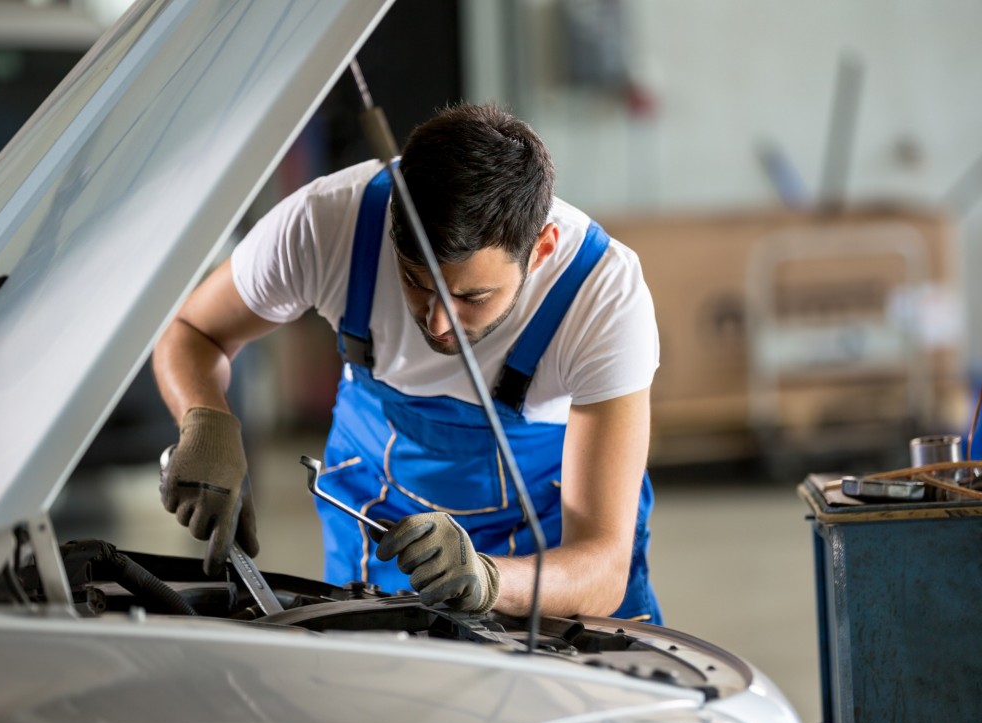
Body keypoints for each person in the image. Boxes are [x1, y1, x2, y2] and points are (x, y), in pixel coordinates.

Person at [153, 104, 661, 623]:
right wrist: (206, 420)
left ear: (541, 251)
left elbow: (602, 566)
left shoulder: (602, 294)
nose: (438, 323)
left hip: (545, 559)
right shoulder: (328, 222)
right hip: (380, 528)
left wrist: (491, 579)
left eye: (473, 296)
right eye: (415, 281)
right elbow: (192, 330)